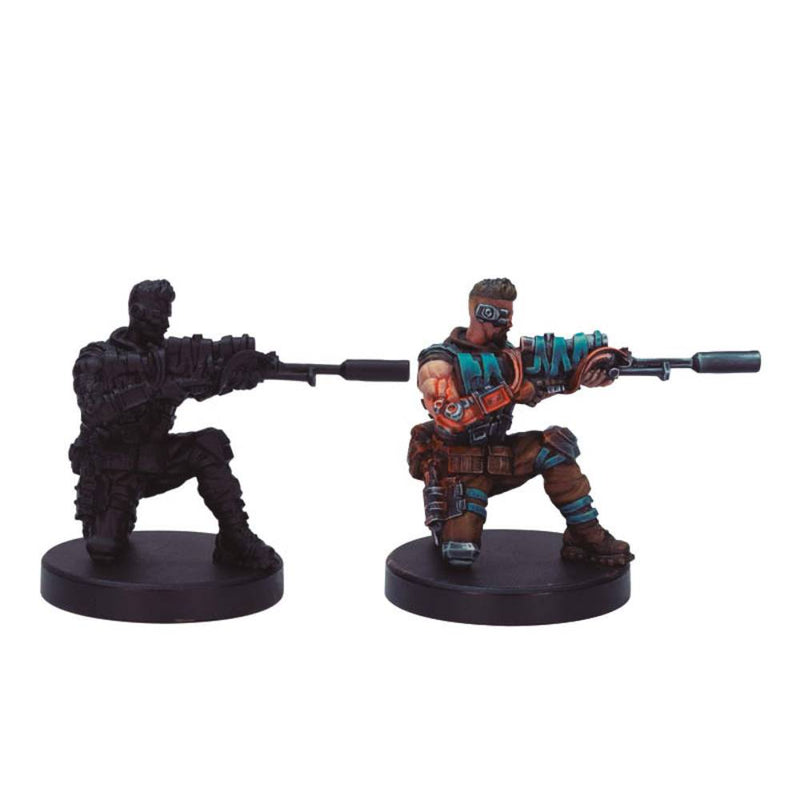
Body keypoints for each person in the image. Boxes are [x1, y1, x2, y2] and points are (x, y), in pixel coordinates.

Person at [408, 277, 633, 568]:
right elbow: (448, 417)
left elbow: (536, 388)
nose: (510, 324)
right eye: (504, 316)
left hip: (502, 456)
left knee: (557, 446)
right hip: (459, 467)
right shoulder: (439, 361)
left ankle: (585, 535)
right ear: (483, 313)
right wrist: (510, 392)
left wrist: (579, 379)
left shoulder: (510, 356)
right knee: (459, 554)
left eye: (511, 315)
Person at [69, 279, 278, 569]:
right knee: (104, 551)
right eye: (159, 316)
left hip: (157, 458)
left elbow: (205, 383)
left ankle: (235, 537)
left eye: (168, 315)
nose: (166, 324)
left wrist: (238, 375)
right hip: (114, 469)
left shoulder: (172, 357)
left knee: (210, 444)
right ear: (136, 312)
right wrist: (155, 391)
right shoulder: (97, 358)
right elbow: (94, 410)